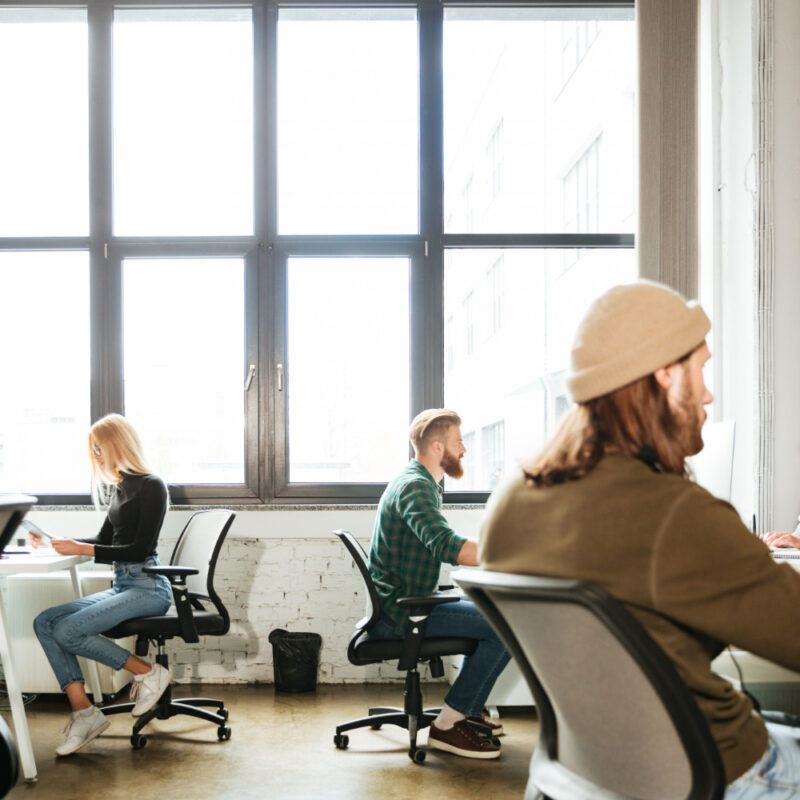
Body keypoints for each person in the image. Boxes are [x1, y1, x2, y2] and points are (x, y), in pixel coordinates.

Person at [479, 281, 800, 797]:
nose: (709, 393)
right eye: (702, 369)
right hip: (719, 770)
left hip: (591, 772)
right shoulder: (674, 513)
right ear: (665, 374)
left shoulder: (510, 499)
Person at [368, 408, 510, 760]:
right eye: (458, 441)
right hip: (403, 614)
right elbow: (446, 545)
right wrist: (515, 552)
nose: (464, 449)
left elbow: (444, 542)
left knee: (496, 612)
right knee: (508, 626)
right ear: (437, 447)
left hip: (408, 603)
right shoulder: (415, 487)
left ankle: (466, 710)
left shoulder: (418, 482)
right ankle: (448, 724)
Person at [31, 413, 174, 757]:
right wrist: (60, 542)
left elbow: (139, 548)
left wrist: (83, 550)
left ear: (117, 444)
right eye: (92, 450)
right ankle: (84, 714)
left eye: (99, 448)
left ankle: (148, 673)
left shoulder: (152, 486)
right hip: (123, 583)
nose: (96, 456)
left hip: (148, 586)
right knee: (45, 622)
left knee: (67, 631)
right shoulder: (119, 488)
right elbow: (103, 541)